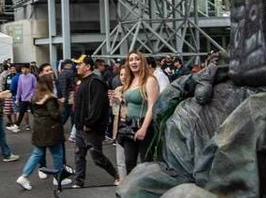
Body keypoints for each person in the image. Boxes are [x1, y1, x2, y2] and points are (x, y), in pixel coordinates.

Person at [16, 73, 72, 190]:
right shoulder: (50, 98)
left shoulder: (35, 96)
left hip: (38, 128)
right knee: (57, 153)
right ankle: (58, 177)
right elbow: (55, 114)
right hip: (51, 129)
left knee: (37, 153)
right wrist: (61, 105)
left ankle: (24, 176)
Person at [72, 57, 118, 188]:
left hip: (90, 129)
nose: (77, 67)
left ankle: (116, 175)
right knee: (79, 155)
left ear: (87, 67)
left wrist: (89, 124)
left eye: (79, 64)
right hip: (81, 127)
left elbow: (97, 106)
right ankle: (79, 181)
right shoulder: (83, 82)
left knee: (97, 157)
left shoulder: (96, 82)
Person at [118, 51, 160, 176]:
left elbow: (153, 106)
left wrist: (143, 128)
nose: (134, 62)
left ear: (142, 62)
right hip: (129, 125)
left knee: (146, 164)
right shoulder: (129, 80)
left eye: (137, 59)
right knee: (129, 162)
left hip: (144, 124)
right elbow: (129, 102)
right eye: (131, 59)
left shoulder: (150, 80)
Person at [14, 64, 36, 131]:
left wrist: (32, 96)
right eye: (22, 69)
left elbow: (35, 87)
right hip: (24, 98)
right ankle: (16, 125)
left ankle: (40, 125)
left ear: (28, 69)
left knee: (34, 112)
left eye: (24, 68)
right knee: (21, 112)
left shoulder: (32, 76)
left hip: (31, 98)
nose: (23, 70)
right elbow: (19, 88)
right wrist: (17, 98)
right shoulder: (20, 76)